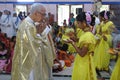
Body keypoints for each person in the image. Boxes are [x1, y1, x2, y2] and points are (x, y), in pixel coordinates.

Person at [11, 3, 55, 80]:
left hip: (32, 58)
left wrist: (40, 32)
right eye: (43, 14)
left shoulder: (31, 23)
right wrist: (42, 33)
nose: (44, 17)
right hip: (29, 61)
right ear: (36, 13)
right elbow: (34, 44)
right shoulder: (28, 25)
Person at [67, 12, 97, 80]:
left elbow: (82, 53)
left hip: (84, 62)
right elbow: (81, 41)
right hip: (82, 60)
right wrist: (74, 39)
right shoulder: (85, 33)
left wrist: (73, 44)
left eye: (78, 23)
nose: (77, 25)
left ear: (84, 22)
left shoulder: (88, 36)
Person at [94, 11, 115, 76]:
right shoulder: (102, 23)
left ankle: (103, 66)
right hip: (100, 39)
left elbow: (111, 33)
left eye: (100, 16)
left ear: (103, 17)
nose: (99, 18)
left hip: (106, 40)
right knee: (98, 53)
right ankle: (98, 67)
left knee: (104, 53)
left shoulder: (110, 23)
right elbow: (99, 31)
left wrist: (104, 36)